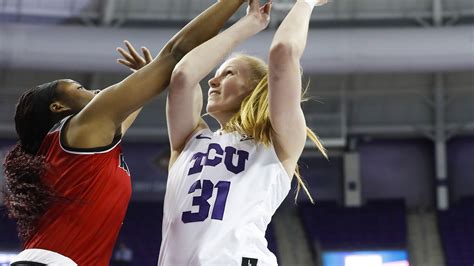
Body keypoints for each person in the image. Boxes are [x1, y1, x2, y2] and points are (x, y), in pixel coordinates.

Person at [2, 1, 246, 265]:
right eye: (79, 87)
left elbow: (131, 107)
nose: (93, 92)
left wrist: (144, 77)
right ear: (58, 106)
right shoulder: (84, 126)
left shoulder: (79, 145)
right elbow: (176, 55)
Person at [159, 0, 328, 265]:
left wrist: (307, 3)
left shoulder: (274, 140)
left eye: (228, 74)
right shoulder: (190, 141)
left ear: (253, 89)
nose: (213, 81)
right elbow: (183, 75)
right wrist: (248, 24)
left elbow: (283, 51)